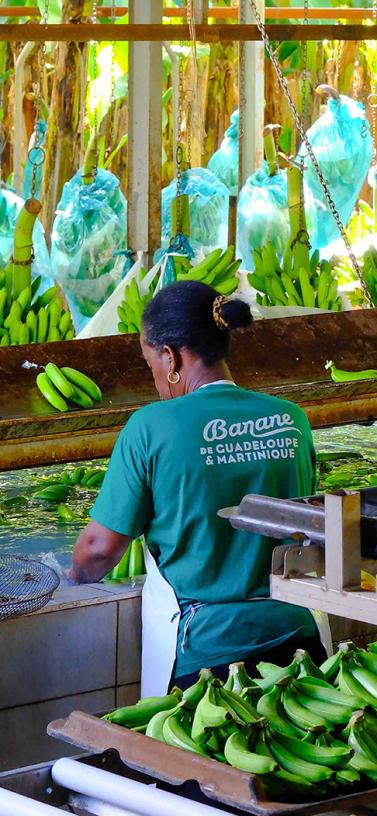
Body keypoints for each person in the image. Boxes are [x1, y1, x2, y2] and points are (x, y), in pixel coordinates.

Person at [69, 281, 321, 693]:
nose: (153, 375)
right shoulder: (292, 420)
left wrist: (73, 575)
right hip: (300, 641)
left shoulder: (151, 427)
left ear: (169, 357)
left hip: (205, 658)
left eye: (149, 360)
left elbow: (99, 549)